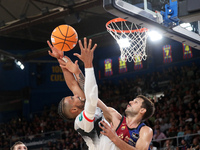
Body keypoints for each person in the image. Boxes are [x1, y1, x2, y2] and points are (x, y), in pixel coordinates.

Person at [48, 37, 155, 150]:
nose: (130, 101)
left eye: (136, 102)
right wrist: (65, 61)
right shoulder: (113, 116)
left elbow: (82, 90)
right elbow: (86, 93)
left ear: (142, 110)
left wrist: (115, 138)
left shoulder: (145, 131)